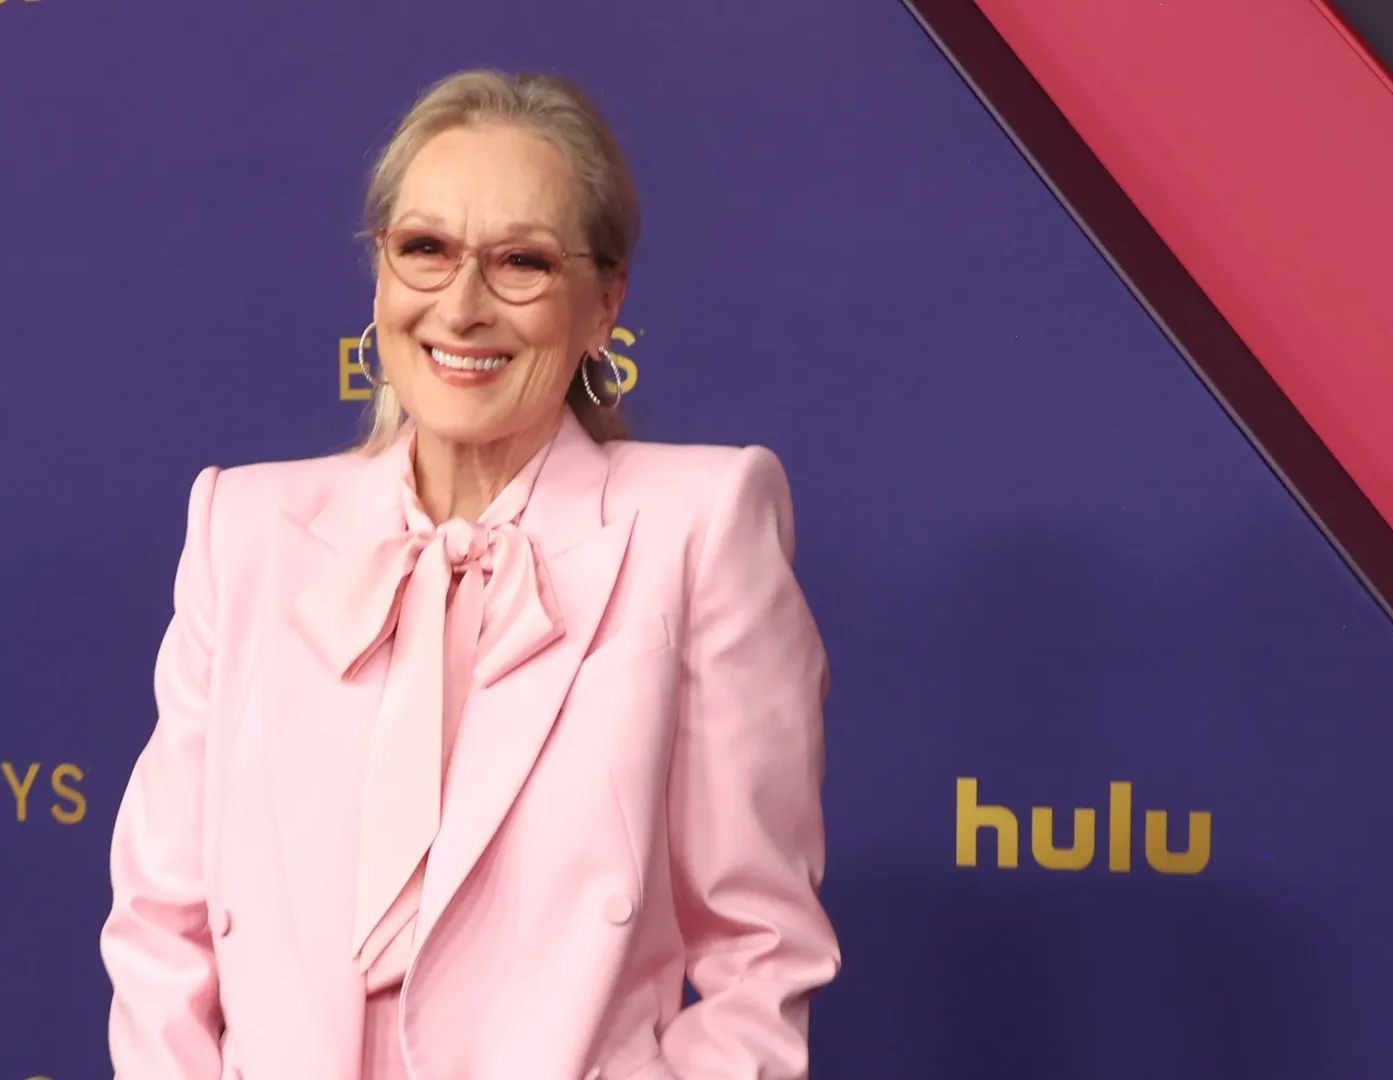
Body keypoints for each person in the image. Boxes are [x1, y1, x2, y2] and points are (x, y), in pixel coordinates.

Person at [101, 69, 839, 1080]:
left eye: (522, 263)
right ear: (379, 277)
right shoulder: (245, 526)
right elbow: (159, 920)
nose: (461, 303)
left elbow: (760, 951)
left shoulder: (699, 526)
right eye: (425, 250)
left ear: (605, 301)